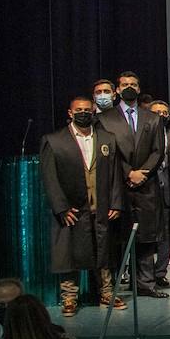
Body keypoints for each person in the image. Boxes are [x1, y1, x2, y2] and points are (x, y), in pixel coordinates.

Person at [39, 96, 127, 317]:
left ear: (94, 111)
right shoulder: (55, 141)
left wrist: (116, 202)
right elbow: (50, 178)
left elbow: (116, 174)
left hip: (101, 206)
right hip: (72, 209)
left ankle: (106, 293)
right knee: (69, 253)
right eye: (79, 110)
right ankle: (69, 297)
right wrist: (61, 208)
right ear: (70, 113)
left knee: (104, 252)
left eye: (87, 109)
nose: (83, 113)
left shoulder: (107, 139)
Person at [97, 72, 166, 299]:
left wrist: (143, 173)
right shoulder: (105, 119)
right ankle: (115, 285)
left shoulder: (152, 118)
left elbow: (158, 150)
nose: (129, 88)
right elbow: (108, 152)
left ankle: (146, 284)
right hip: (119, 185)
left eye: (133, 85)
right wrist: (128, 173)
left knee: (147, 237)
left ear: (139, 89)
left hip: (146, 186)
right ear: (117, 90)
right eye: (125, 85)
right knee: (118, 237)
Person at [148, 100, 170, 291]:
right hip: (147, 195)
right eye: (157, 112)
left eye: (164, 112)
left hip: (169, 193)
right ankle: (144, 276)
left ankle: (160, 273)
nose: (161, 115)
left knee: (166, 237)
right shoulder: (141, 137)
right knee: (148, 237)